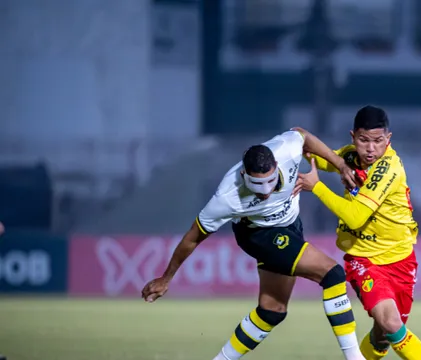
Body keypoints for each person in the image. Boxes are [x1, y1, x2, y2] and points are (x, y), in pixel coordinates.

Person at [141, 130, 365, 360]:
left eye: (271, 181)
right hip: (259, 235)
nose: (266, 191)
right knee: (333, 275)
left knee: (272, 311)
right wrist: (166, 278)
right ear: (243, 174)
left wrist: (339, 163)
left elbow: (302, 135)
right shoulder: (227, 197)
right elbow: (193, 237)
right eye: (257, 184)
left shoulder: (287, 148)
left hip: (291, 226)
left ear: (276, 163)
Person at [295, 105, 421, 360]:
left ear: (388, 139)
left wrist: (318, 188)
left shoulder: (387, 167)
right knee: (391, 323)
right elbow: (314, 151)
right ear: (353, 137)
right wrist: (295, 140)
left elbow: (356, 217)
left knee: (383, 336)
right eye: (363, 140)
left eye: (378, 141)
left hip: (401, 259)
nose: (370, 149)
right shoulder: (349, 156)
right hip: (364, 260)